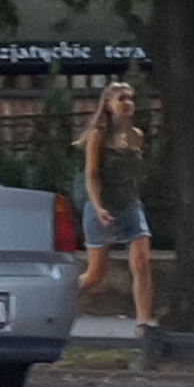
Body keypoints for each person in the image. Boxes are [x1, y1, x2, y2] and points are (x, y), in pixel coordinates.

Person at [79, 81, 155, 327]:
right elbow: (91, 175)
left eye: (131, 98)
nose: (128, 103)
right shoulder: (97, 136)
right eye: (121, 98)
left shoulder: (137, 136)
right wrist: (99, 207)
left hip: (130, 205)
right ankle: (62, 298)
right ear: (109, 105)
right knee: (95, 274)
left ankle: (144, 323)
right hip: (102, 206)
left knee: (142, 263)